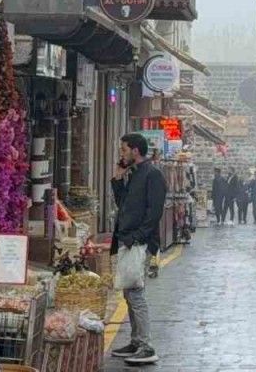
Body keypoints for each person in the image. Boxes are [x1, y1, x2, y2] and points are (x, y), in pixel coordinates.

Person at [109, 133, 168, 366]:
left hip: (139, 242)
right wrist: (117, 179)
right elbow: (123, 204)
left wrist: (138, 238)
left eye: (124, 150)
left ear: (135, 150)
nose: (121, 154)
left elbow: (155, 212)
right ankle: (135, 341)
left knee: (135, 292)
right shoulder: (134, 174)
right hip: (128, 239)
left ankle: (146, 346)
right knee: (128, 292)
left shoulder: (153, 174)